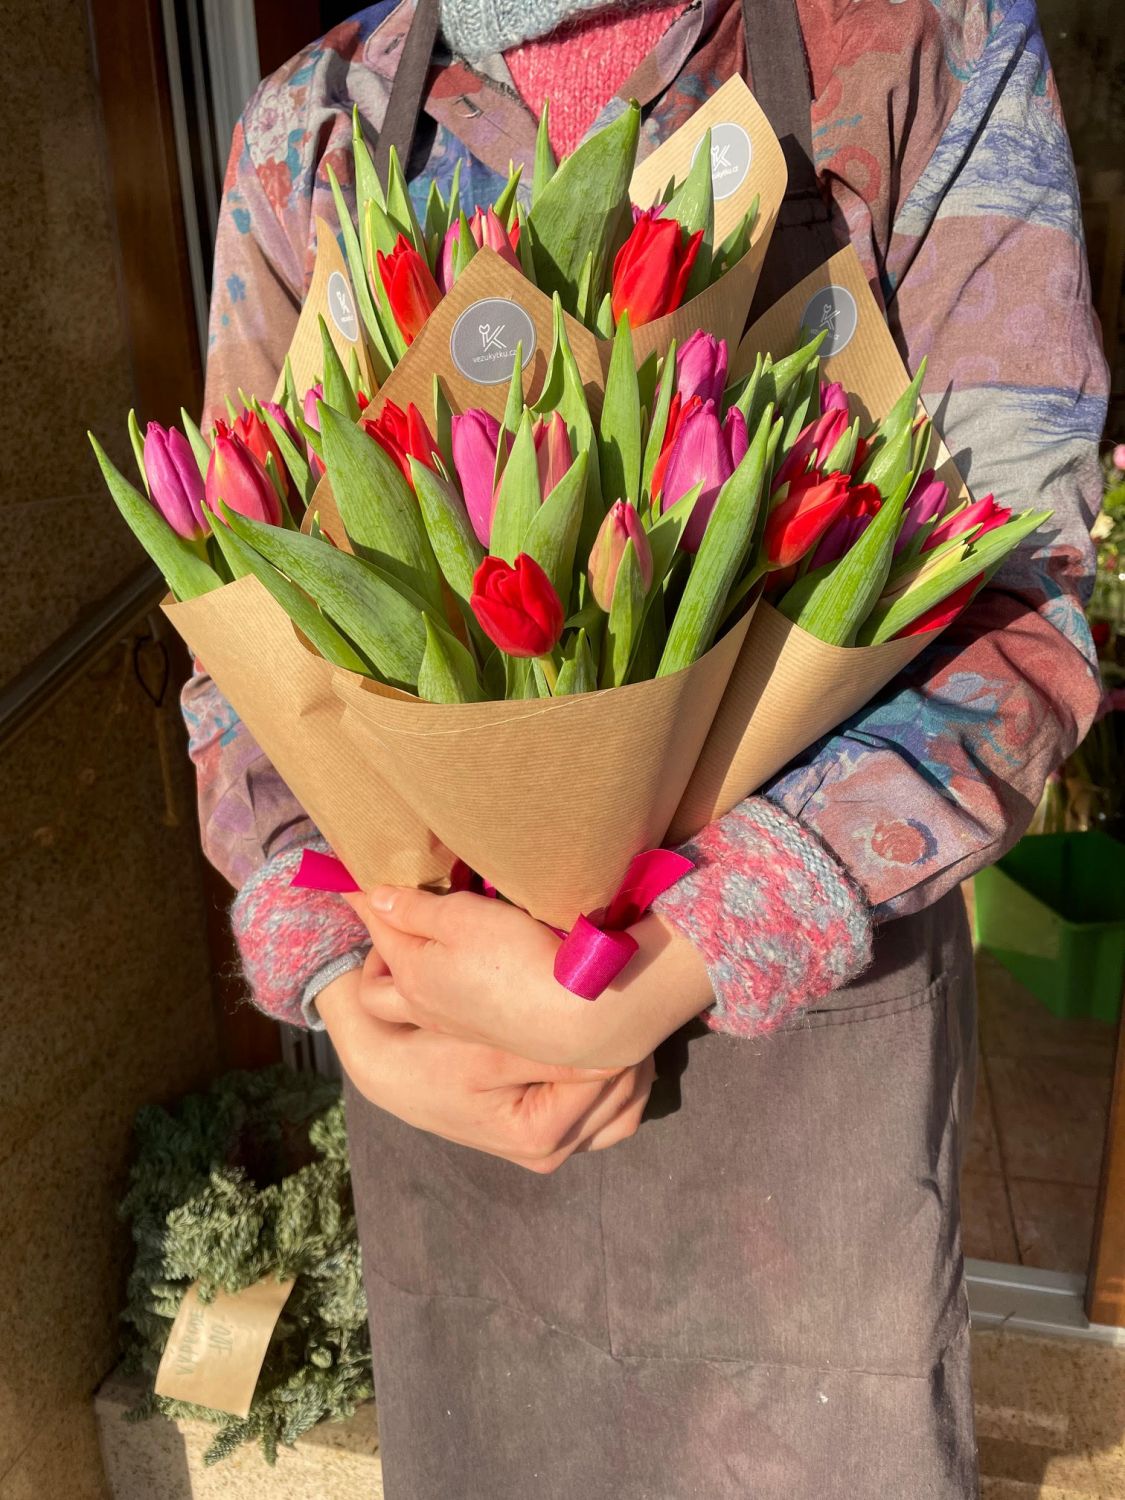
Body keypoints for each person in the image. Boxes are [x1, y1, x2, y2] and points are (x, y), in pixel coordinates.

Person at [184, 1, 1107, 1494]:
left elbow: (1023, 593)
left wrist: (687, 950)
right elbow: (246, 615)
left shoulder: (922, 45)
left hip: (800, 1098)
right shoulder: (317, 123)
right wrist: (342, 977)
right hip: (447, 1086)